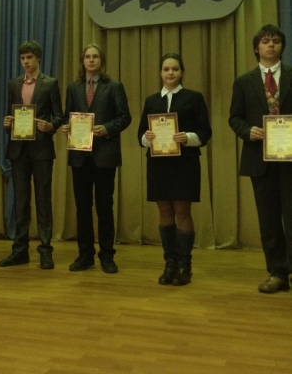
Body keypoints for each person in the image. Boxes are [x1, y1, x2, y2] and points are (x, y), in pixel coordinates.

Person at [138, 53, 211, 286]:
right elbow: (140, 136)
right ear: (160, 73)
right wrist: (147, 138)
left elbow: (205, 132)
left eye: (175, 69)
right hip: (158, 164)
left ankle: (184, 266)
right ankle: (169, 264)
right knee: (165, 213)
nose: (170, 73)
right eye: (166, 69)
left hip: (184, 164)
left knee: (182, 211)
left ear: (182, 72)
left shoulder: (194, 98)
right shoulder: (151, 100)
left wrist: (187, 137)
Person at [229, 24, 292, 293]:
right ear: (257, 48)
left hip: (290, 157)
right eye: (265, 41)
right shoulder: (244, 81)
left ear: (282, 46)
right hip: (260, 159)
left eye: (276, 41)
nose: (271, 45)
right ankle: (277, 273)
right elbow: (234, 118)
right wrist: (248, 131)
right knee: (268, 219)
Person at [62, 43, 131, 274]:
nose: (91, 60)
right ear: (82, 61)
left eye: (95, 57)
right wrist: (66, 127)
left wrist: (107, 128)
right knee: (82, 208)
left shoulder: (114, 86)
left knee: (104, 207)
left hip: (105, 155)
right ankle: (85, 255)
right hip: (79, 156)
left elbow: (125, 117)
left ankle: (107, 256)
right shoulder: (73, 88)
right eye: (87, 57)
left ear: (101, 61)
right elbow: (68, 116)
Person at [0, 40, 63, 270]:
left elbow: (59, 116)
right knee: (21, 201)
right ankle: (20, 250)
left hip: (41, 149)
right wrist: (8, 124)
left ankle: (45, 250)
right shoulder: (13, 84)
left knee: (43, 200)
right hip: (18, 150)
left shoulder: (50, 83)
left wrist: (51, 126)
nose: (26, 62)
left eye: (29, 58)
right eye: (23, 58)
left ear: (38, 58)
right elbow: (12, 115)